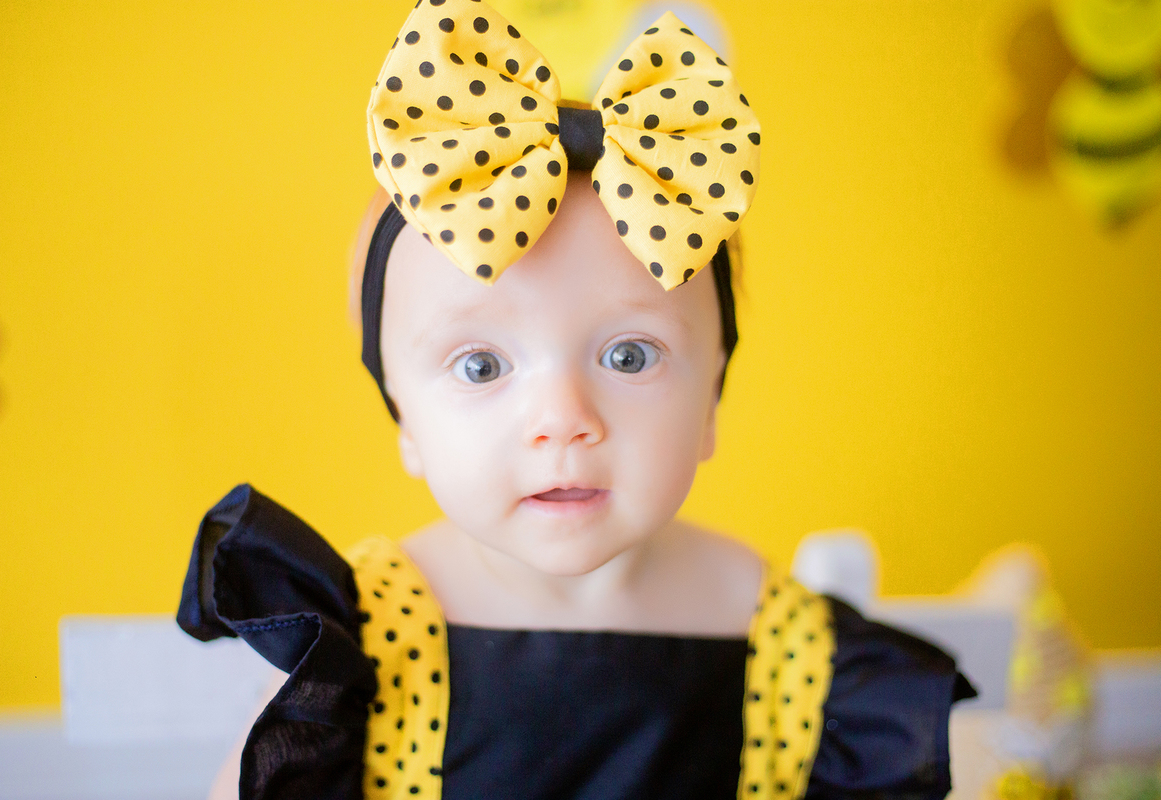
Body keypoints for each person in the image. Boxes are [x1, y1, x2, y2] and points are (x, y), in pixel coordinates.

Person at [177, 2, 975, 798]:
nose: (565, 419)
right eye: (483, 366)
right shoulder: (364, 636)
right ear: (403, 417)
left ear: (710, 400)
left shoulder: (790, 645)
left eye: (629, 355)